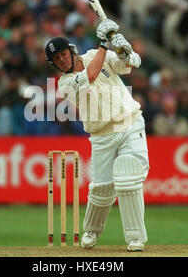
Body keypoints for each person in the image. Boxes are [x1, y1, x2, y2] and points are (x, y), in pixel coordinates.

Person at [45, 19, 149, 251]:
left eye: (63, 54)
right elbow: (90, 76)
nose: (62, 60)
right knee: (102, 189)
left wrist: (125, 51)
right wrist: (105, 42)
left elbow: (130, 64)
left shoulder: (94, 54)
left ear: (71, 50)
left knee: (129, 179)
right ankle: (92, 230)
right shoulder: (65, 83)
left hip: (130, 123)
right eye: (57, 59)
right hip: (102, 135)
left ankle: (135, 237)